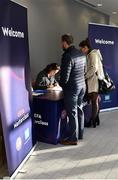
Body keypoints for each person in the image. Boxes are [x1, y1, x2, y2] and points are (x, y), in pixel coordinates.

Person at [59, 34, 86, 145]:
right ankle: (80, 133)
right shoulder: (81, 53)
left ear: (65, 42)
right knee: (79, 110)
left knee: (72, 113)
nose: (61, 44)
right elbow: (84, 71)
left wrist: (60, 85)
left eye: (61, 42)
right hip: (82, 86)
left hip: (72, 89)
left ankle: (73, 139)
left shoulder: (67, 55)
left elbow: (65, 77)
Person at [79, 38, 104, 128]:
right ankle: (96, 118)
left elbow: (94, 68)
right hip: (92, 82)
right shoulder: (90, 54)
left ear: (86, 47)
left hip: (94, 82)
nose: (81, 51)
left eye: (82, 48)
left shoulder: (92, 54)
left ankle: (93, 120)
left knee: (94, 102)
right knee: (94, 101)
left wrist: (84, 76)